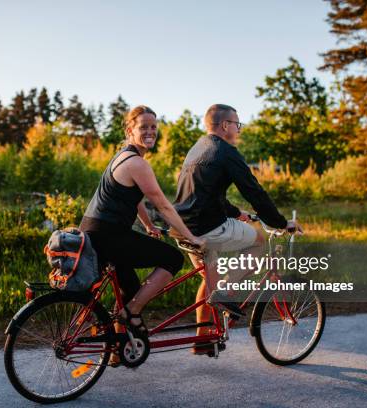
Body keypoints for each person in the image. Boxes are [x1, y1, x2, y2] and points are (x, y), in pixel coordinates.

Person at [173, 104, 302, 356]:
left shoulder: (197, 148)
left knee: (208, 281)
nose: (238, 129)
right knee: (259, 241)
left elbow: (205, 193)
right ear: (224, 126)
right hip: (206, 227)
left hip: (182, 227)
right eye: (237, 124)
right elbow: (254, 191)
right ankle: (225, 290)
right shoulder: (226, 151)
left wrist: (236, 213)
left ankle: (203, 339)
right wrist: (280, 222)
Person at [79, 105, 204, 341]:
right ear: (130, 130)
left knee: (131, 289)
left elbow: (135, 199)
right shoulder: (138, 164)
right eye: (144, 127)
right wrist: (191, 236)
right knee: (173, 259)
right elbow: (163, 205)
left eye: (154, 127)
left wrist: (148, 226)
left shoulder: (121, 157)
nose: (150, 131)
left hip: (95, 230)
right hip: (109, 235)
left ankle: (117, 345)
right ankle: (131, 314)